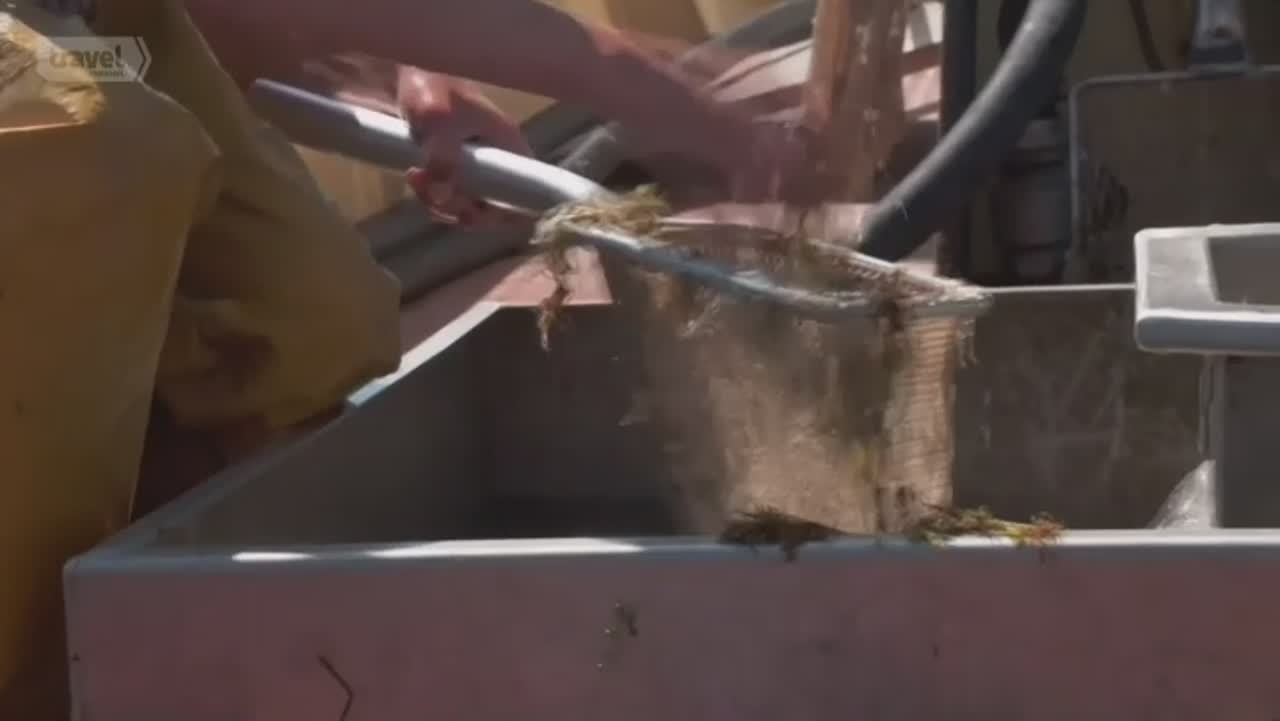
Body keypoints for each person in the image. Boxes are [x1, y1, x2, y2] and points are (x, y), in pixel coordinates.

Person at [0, 0, 807, 717]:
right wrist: (654, 92)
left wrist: (412, 75)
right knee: (98, 147)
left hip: (96, 24)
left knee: (314, 322)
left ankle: (160, 640)